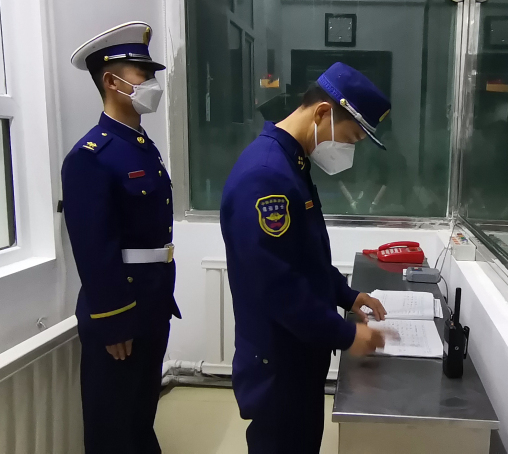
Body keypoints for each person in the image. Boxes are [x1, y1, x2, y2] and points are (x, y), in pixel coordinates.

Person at [221, 62, 393, 453]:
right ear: (322, 113)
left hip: (298, 352)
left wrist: (347, 295)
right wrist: (347, 334)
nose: (349, 150)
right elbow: (277, 286)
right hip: (279, 361)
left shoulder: (291, 163)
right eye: (351, 138)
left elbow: (304, 255)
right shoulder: (267, 175)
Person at [62, 22, 180, 454]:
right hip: (120, 308)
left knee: (140, 412)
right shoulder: (92, 156)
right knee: (111, 424)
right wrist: (113, 320)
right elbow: (94, 247)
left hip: (152, 301)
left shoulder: (141, 146)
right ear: (112, 82)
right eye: (142, 74)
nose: (151, 83)